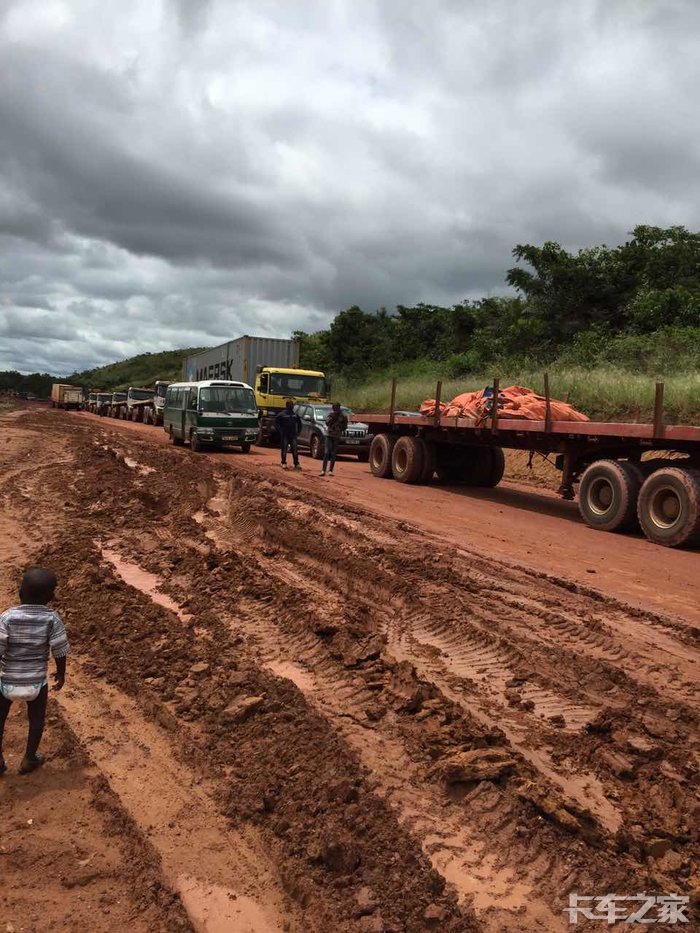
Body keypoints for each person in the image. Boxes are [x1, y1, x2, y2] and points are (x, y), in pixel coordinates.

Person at [0, 567, 70, 776]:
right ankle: (29, 758)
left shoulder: (7, 618)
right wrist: (61, 673)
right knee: (37, 718)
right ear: (51, 597)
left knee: (0, 717)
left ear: (20, 593)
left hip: (6, 681)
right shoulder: (52, 619)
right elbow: (59, 649)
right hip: (36, 683)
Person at [321, 402, 348, 476]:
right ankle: (323, 470)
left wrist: (339, 429)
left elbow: (345, 426)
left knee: (333, 453)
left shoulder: (343, 416)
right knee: (326, 452)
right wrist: (333, 418)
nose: (335, 409)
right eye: (335, 408)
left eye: (336, 408)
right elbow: (327, 423)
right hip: (329, 435)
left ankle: (330, 471)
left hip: (336, 436)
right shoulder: (331, 415)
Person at [274, 400, 302, 470]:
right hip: (285, 435)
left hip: (293, 435)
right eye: (290, 405)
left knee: (295, 450)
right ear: (287, 406)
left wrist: (298, 431)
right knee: (284, 449)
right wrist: (280, 431)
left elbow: (299, 423)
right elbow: (276, 422)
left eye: (292, 405)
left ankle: (296, 464)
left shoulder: (295, 414)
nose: (292, 406)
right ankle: (283, 462)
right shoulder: (282, 414)